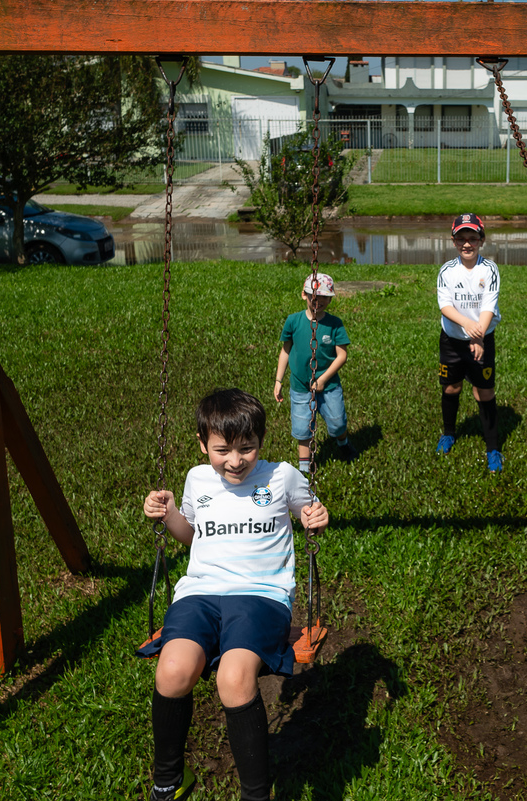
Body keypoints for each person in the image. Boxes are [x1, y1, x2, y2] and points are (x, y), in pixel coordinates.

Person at [139, 388, 329, 801]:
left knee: (234, 677)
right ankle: (169, 779)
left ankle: (256, 795)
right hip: (200, 592)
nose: (236, 461)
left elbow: (309, 513)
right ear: (203, 444)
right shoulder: (196, 478)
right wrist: (168, 513)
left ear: (261, 441)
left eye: (247, 448)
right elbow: (191, 536)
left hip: (261, 595)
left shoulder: (281, 476)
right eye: (222, 450)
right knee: (172, 672)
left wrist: (316, 517)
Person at [436, 212, 504, 473]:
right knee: (451, 388)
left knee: (483, 391)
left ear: (481, 240)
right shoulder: (447, 271)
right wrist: (468, 328)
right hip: (452, 341)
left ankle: (493, 448)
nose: (467, 243)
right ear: (454, 242)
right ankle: (449, 433)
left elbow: (488, 306)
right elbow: (445, 306)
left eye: (472, 238)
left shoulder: (489, 269)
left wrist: (479, 338)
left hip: (482, 338)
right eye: (461, 238)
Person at [275, 273, 357, 471]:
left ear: (330, 299)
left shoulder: (334, 324)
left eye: (323, 297)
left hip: (328, 386)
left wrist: (323, 378)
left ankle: (343, 443)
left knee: (338, 423)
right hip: (300, 386)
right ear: (304, 295)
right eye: (313, 295)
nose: (317, 301)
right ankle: (305, 468)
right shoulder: (293, 321)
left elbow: (342, 356)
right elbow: (285, 350)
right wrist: (279, 380)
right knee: (303, 428)